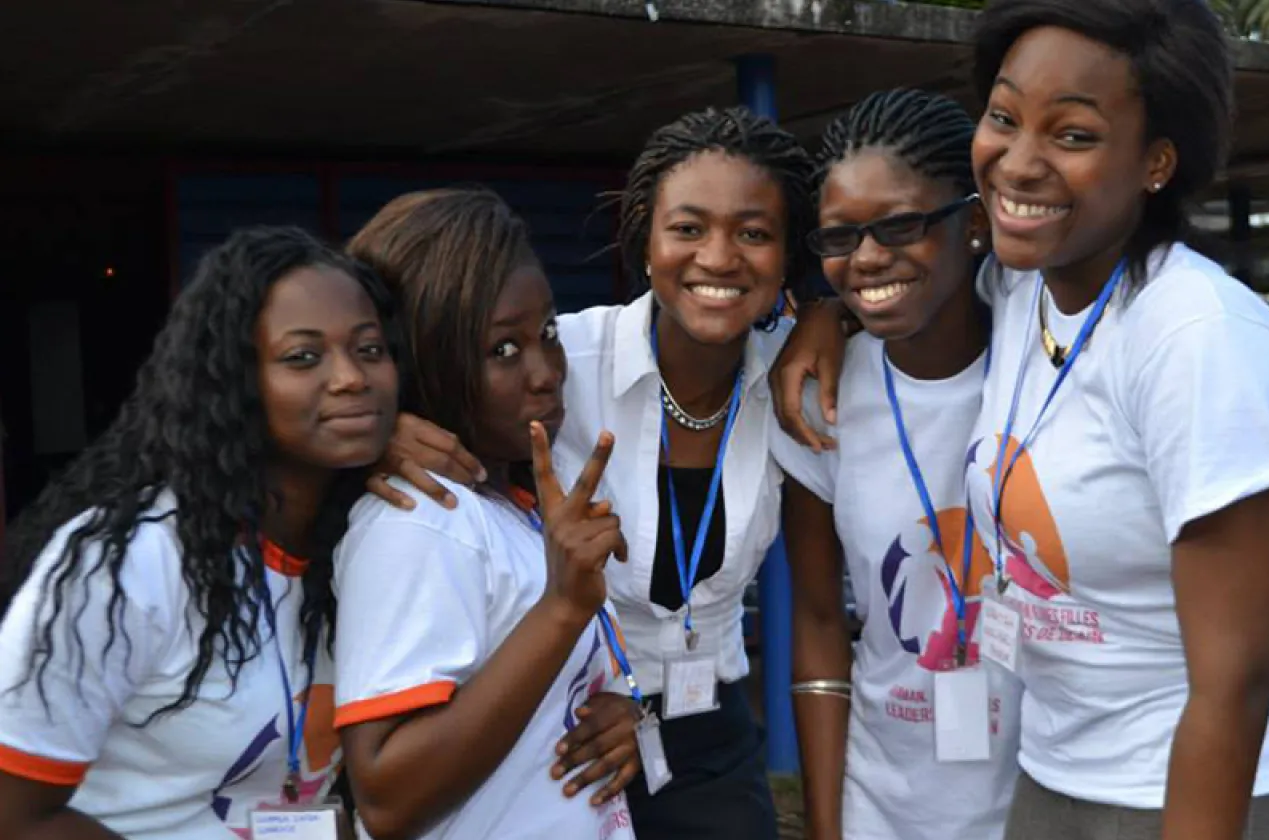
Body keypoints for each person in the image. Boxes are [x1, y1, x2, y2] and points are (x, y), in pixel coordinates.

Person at [773, 2, 1269, 838]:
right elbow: (898, 285)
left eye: (1073, 135)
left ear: (1156, 161)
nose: (1018, 161)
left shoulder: (1197, 340)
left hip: (1181, 791)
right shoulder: (1025, 295)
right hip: (1051, 778)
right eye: (1004, 119)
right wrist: (822, 316)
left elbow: (1239, 680)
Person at [370, 106, 816, 840]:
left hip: (710, 731)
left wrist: (833, 319)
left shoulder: (799, 382)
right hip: (567, 732)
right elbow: (421, 359)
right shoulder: (558, 365)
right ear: (645, 239)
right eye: (689, 228)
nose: (719, 256)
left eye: (755, 233)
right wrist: (387, 430)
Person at [0, 226, 401, 838]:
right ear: (234, 382)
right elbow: (15, 818)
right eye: (303, 356)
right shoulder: (131, 562)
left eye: (369, 349)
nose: (351, 377)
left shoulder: (362, 544)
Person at [332, 188, 638, 840]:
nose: (545, 372)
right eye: (503, 349)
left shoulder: (508, 508)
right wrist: (561, 610)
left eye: (548, 334)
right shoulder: (420, 520)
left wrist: (615, 714)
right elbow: (387, 796)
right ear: (428, 360)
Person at [770, 88, 1020, 840]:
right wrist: (827, 824)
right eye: (840, 238)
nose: (869, 257)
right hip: (887, 802)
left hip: (1047, 793)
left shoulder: (1043, 354)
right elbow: (818, 618)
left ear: (973, 222)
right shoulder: (821, 400)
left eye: (902, 225)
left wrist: (823, 312)